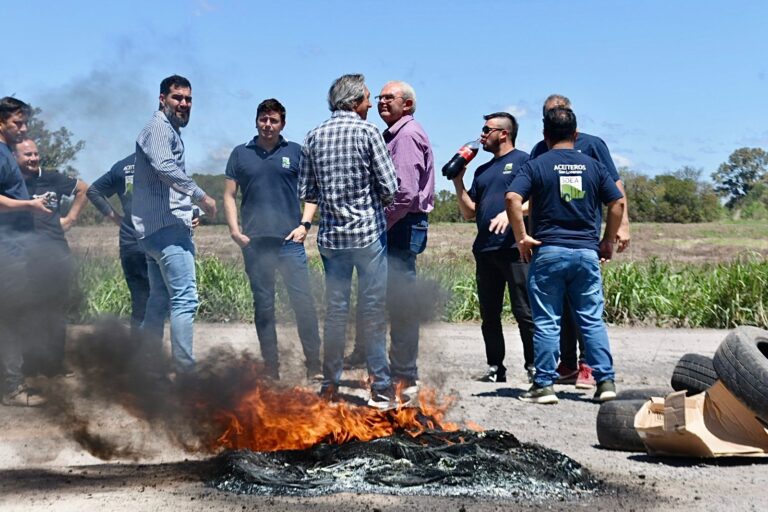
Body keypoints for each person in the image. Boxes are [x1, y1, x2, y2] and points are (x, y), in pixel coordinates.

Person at [506, 107, 623, 404]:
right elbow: (617, 203)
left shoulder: (537, 164)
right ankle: (605, 382)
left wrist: (522, 238)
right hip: (586, 251)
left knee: (547, 320)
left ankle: (544, 385)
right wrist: (607, 240)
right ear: (575, 134)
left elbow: (512, 198)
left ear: (545, 136)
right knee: (591, 319)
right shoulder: (593, 165)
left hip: (549, 251)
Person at [299, 73, 398, 409]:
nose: (371, 104)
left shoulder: (312, 136)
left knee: (336, 314)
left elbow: (308, 191)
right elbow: (390, 185)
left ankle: (330, 386)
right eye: (368, 98)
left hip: (331, 239)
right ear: (355, 102)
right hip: (368, 236)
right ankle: (382, 388)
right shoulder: (368, 132)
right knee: (372, 313)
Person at [529, 94, 630, 389]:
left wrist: (617, 232)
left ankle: (564, 376)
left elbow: (617, 194)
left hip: (566, 245)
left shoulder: (594, 147)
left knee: (562, 315)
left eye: (560, 112)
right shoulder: (539, 152)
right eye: (551, 113)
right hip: (577, 247)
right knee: (584, 314)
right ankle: (591, 375)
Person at [344, 81, 434, 395]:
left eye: (389, 98)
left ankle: (405, 374)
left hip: (401, 225)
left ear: (407, 104)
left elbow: (405, 192)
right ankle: (400, 371)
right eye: (379, 98)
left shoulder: (406, 136)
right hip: (401, 224)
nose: (381, 102)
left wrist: (378, 223)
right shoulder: (394, 134)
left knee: (400, 301)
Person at [223, 98, 322, 382]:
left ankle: (314, 365)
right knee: (264, 307)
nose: (268, 126)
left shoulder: (296, 152)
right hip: (255, 244)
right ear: (257, 121)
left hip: (290, 242)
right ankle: (271, 369)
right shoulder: (241, 154)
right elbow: (229, 195)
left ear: (282, 124)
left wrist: (305, 224)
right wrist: (234, 230)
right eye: (264, 120)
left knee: (303, 303)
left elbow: (312, 191)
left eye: (274, 121)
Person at [131, 75, 217, 375]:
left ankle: (147, 368)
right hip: (166, 233)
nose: (183, 104)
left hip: (158, 229)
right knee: (185, 300)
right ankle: (186, 375)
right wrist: (201, 196)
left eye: (188, 99)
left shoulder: (167, 130)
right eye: (177, 97)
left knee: (159, 300)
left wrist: (190, 209)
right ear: (162, 99)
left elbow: (161, 181)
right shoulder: (157, 128)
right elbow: (165, 167)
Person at [452, 113, 535, 383]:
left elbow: (538, 200)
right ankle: (495, 368)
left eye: (487, 130)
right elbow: (469, 212)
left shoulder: (524, 161)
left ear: (504, 133)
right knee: (489, 314)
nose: (482, 135)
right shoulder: (482, 171)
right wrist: (458, 181)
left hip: (515, 249)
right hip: (486, 250)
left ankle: (535, 368)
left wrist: (511, 215)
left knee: (525, 312)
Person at [14, 138, 88, 377]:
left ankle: (55, 365)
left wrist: (70, 219)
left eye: (35, 154)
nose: (34, 159)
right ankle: (29, 367)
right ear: (14, 158)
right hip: (24, 255)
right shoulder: (11, 184)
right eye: (27, 155)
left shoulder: (52, 177)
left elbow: (83, 189)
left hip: (56, 252)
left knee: (56, 311)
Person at [0, 97, 50, 406]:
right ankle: (13, 388)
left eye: (25, 122)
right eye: (18, 123)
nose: (24, 128)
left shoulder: (7, 154)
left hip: (15, 247)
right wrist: (30, 204)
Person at [87, 153, 150, 331]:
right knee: (163, 299)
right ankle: (153, 352)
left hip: (130, 241)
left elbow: (93, 190)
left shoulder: (122, 166)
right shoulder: (164, 162)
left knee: (140, 300)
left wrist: (117, 219)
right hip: (157, 242)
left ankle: (139, 352)